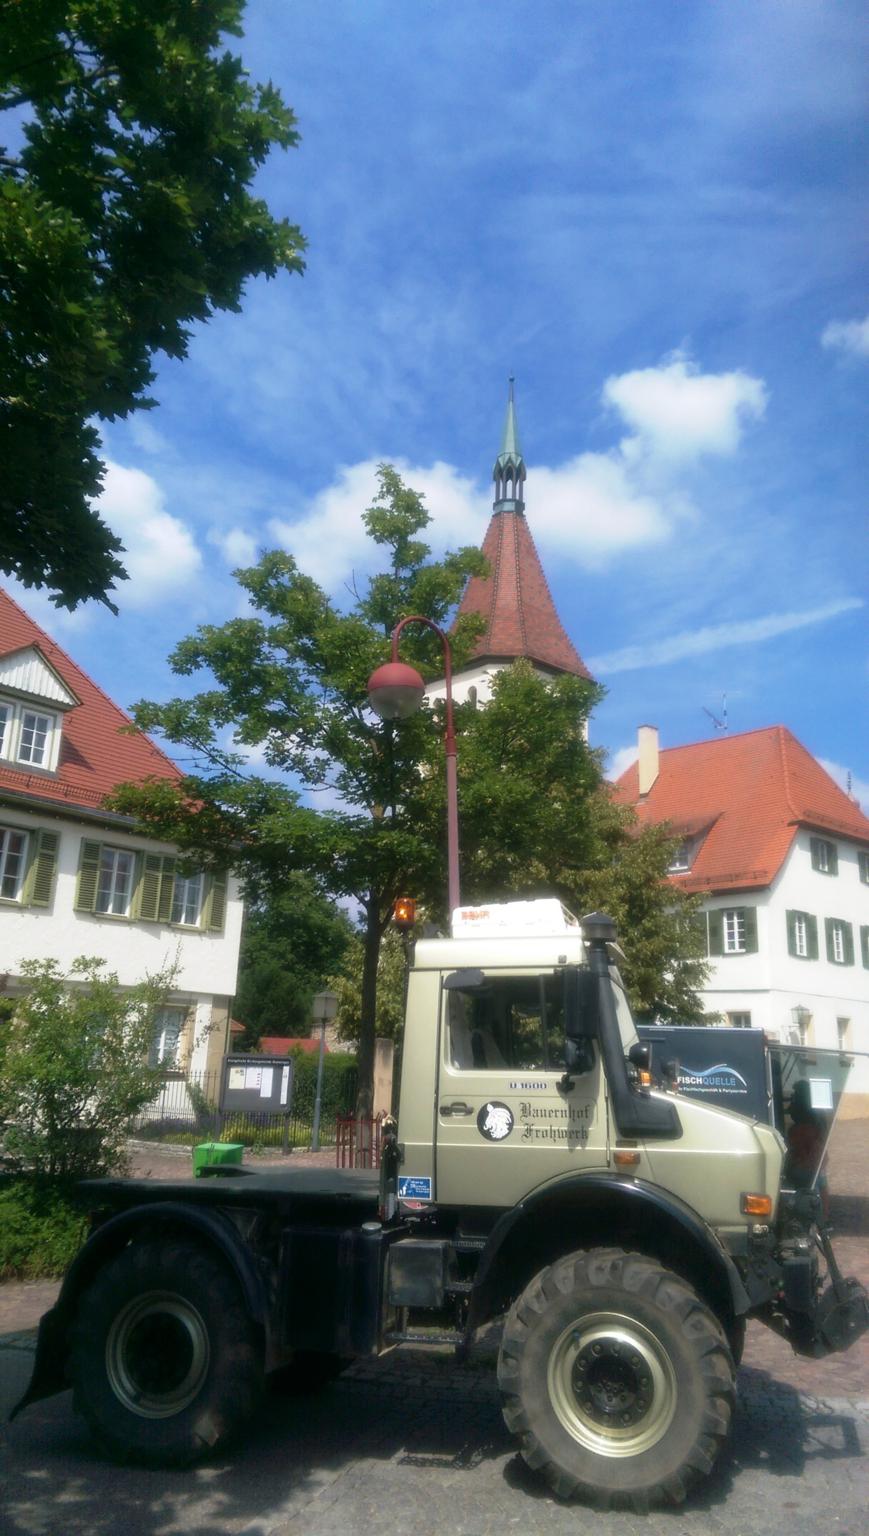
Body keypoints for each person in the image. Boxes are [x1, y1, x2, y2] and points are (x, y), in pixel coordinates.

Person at [784, 1079, 830, 1217]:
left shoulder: (798, 1129)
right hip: (817, 1167)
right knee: (821, 1184)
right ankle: (823, 1217)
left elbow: (798, 1154)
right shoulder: (818, 1119)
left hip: (805, 1169)